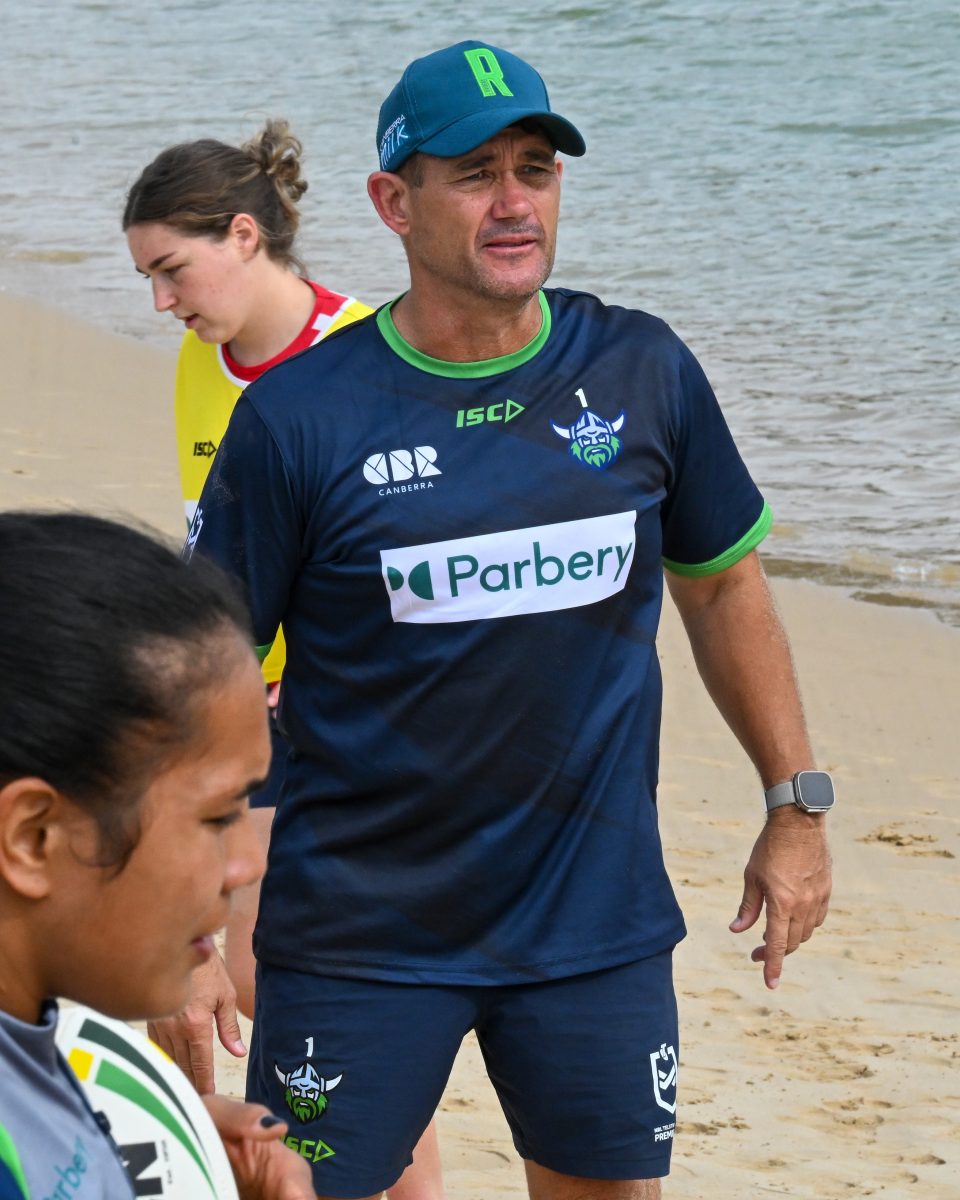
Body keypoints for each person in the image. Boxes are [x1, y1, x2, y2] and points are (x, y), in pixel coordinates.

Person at [180, 40, 834, 1200]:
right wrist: (199, 910)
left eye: (535, 168)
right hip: (357, 938)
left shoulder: (640, 369)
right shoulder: (298, 420)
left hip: (593, 927)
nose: (516, 200)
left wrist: (794, 801)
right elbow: (203, 672)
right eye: (476, 173)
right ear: (395, 202)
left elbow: (723, 583)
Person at [123, 125, 445, 1200]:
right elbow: (220, 571)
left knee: (330, 1004)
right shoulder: (198, 363)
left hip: (376, 724)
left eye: (172, 270)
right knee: (247, 985)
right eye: (149, 279)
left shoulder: (375, 348)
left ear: (245, 234)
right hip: (256, 722)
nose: (162, 302)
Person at [0, 512, 315, 1200]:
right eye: (217, 816)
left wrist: (179, 1138)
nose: (248, 865)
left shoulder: (44, 1034)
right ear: (31, 837)